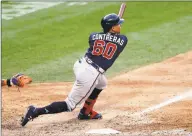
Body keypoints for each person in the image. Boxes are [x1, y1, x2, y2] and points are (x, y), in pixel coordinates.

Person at [21, 13, 128, 127]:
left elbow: (104, 39)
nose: (120, 26)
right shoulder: (123, 40)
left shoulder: (93, 36)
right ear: (112, 27)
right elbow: (113, 41)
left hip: (81, 64)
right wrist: (111, 34)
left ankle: (86, 112)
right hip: (91, 74)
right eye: (118, 24)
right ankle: (36, 111)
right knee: (70, 105)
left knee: (102, 83)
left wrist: (108, 32)